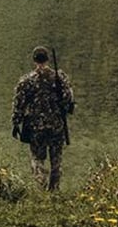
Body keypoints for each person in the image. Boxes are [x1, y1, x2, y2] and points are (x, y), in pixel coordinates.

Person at [11, 46, 74, 190]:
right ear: (47, 59)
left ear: (34, 60)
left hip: (36, 127)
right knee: (56, 159)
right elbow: (68, 100)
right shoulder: (60, 78)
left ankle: (41, 182)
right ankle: (54, 189)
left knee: (37, 158)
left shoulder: (27, 81)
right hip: (56, 125)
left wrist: (16, 123)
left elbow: (19, 103)